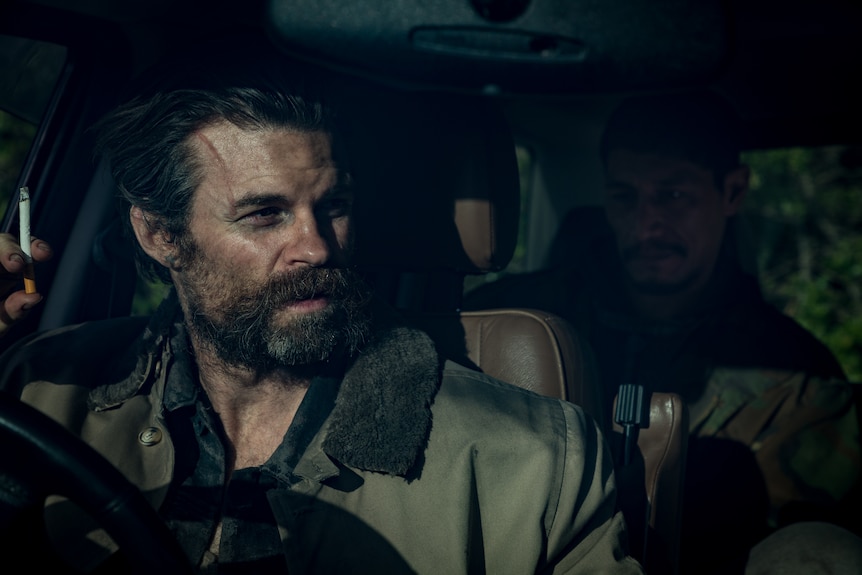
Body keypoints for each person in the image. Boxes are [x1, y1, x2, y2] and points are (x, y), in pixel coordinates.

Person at [0, 43, 644, 573]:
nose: (315, 246)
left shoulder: (534, 465)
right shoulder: (42, 392)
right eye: (264, 214)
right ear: (160, 235)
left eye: (333, 207)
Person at [464, 91, 862, 573]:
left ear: (733, 193)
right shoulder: (510, 320)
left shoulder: (796, 378)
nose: (646, 224)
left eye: (674, 196)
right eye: (624, 197)